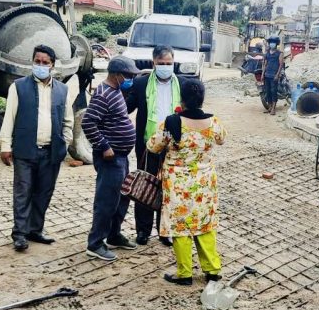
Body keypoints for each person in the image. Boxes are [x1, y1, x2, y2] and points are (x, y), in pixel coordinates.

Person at [147, 79, 227, 286]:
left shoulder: (171, 123)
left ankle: (184, 273)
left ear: (181, 99)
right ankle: (212, 270)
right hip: (205, 184)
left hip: (178, 185)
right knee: (205, 224)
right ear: (202, 99)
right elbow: (221, 139)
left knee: (180, 225)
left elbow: (153, 146)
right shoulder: (214, 122)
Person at [0, 44, 74, 252]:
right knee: (23, 192)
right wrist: (5, 145)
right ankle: (19, 234)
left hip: (51, 151)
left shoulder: (62, 90)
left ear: (52, 65)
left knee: (44, 192)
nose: (40, 65)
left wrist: (65, 142)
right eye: (37, 61)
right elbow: (9, 117)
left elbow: (68, 121)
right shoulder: (18, 87)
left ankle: (35, 230)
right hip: (25, 149)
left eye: (44, 62)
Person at [81, 56, 140, 261]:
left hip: (121, 156)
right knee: (106, 200)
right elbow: (88, 123)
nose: (131, 79)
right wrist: (104, 146)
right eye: (128, 75)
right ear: (116, 75)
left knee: (122, 197)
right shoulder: (103, 94)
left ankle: (114, 234)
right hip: (110, 158)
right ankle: (95, 243)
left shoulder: (116, 91)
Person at [125, 44, 180, 246]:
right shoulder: (141, 84)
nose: (165, 66)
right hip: (148, 145)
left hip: (173, 146)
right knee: (145, 185)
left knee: (170, 188)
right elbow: (126, 108)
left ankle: (165, 231)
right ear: (153, 62)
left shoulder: (182, 84)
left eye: (169, 63)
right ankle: (143, 230)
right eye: (161, 63)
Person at [262, 35, 284, 115]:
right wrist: (262, 74)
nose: (272, 44)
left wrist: (277, 75)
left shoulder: (279, 53)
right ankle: (270, 107)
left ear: (276, 44)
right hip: (267, 75)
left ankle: (274, 108)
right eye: (271, 42)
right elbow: (265, 64)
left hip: (274, 75)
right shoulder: (267, 53)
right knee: (268, 92)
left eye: (274, 42)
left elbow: (281, 65)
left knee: (273, 91)